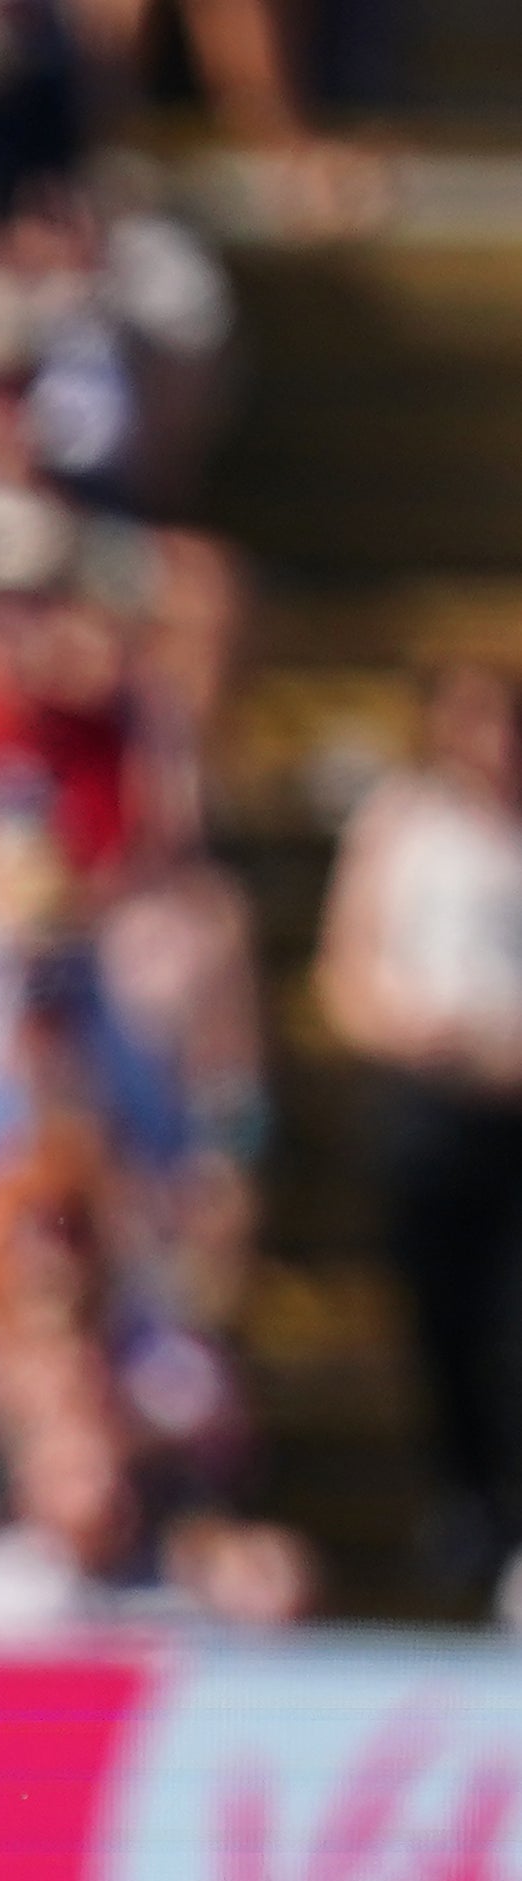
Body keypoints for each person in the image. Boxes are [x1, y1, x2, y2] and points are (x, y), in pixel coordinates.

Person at [318, 662, 522, 1601]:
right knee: (443, 1314)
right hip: (435, 1107)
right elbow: (349, 976)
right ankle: (469, 1498)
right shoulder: (404, 823)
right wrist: (420, 1032)